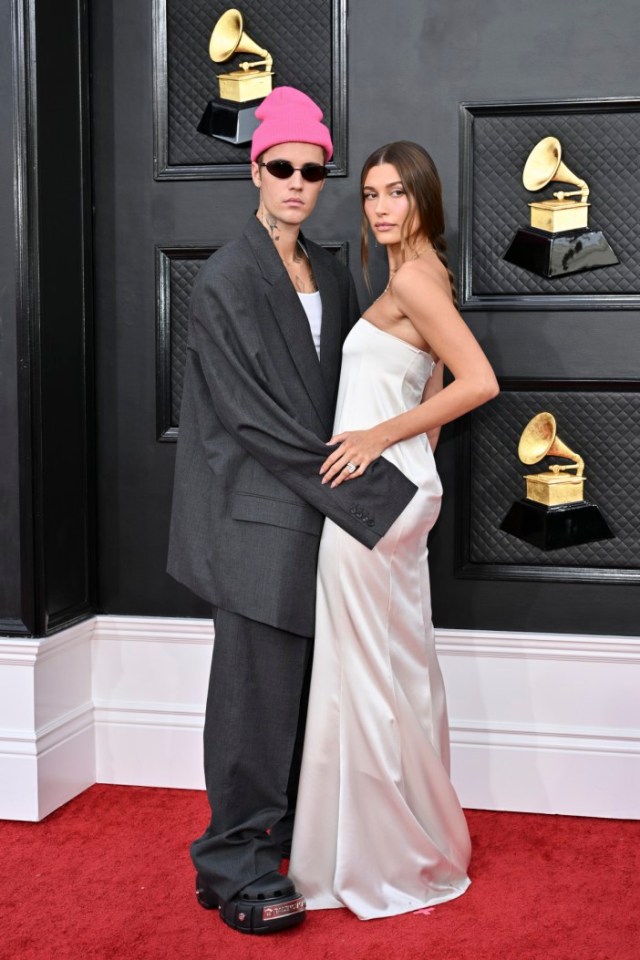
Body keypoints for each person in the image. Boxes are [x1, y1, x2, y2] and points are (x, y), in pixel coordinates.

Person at [167, 91, 417, 935]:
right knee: (253, 700)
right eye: (283, 168)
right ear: (256, 169)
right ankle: (233, 865)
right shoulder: (224, 279)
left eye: (313, 170)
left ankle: (270, 849)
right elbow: (255, 420)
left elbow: (343, 393)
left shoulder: (334, 267)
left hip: (317, 511)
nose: (298, 183)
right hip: (252, 513)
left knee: (304, 695)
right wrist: (378, 498)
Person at [288, 141, 499, 919]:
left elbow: (479, 382)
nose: (379, 207)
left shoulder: (412, 276)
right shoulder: (425, 272)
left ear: (422, 200)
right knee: (393, 665)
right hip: (402, 492)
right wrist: (407, 449)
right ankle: (409, 841)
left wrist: (379, 438)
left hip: (376, 496)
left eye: (396, 194)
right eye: (371, 193)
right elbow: (433, 382)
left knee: (364, 671)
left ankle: (386, 860)